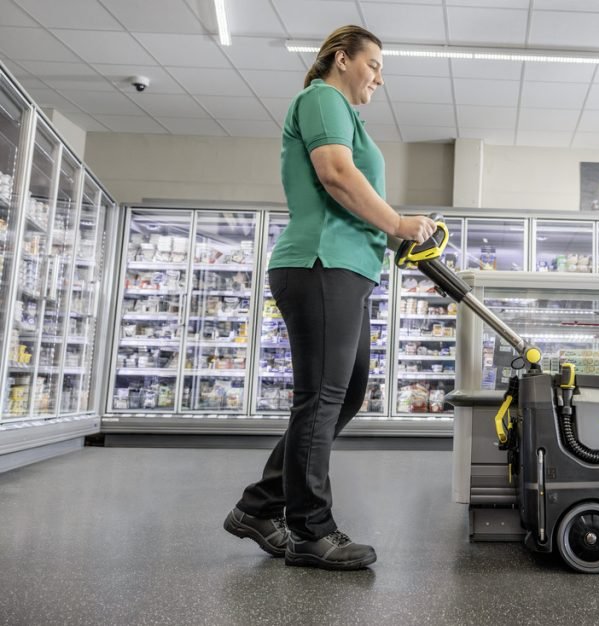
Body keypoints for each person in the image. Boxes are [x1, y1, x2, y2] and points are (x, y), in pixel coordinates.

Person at [223, 25, 435, 571]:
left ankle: (259, 507)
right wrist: (398, 222)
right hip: (320, 263)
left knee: (344, 394)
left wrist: (396, 234)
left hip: (348, 269)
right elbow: (337, 176)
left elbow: (352, 193)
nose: (379, 79)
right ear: (342, 59)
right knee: (321, 398)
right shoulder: (322, 98)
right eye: (374, 65)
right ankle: (311, 530)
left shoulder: (348, 115)